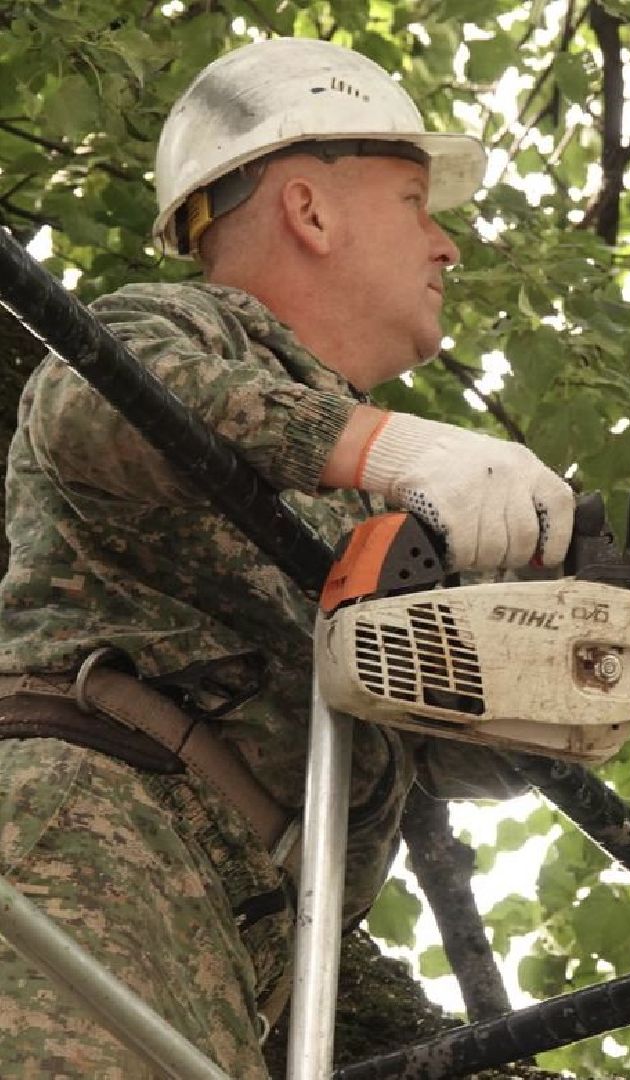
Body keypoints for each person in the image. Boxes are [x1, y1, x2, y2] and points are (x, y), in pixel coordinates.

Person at [0, 37, 573, 1077]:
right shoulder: (173, 329)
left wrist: (561, 650)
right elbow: (98, 407)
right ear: (310, 211)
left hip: (229, 943)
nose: (448, 247)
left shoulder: (363, 514)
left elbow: (440, 750)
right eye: (416, 204)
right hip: (84, 833)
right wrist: (384, 445)